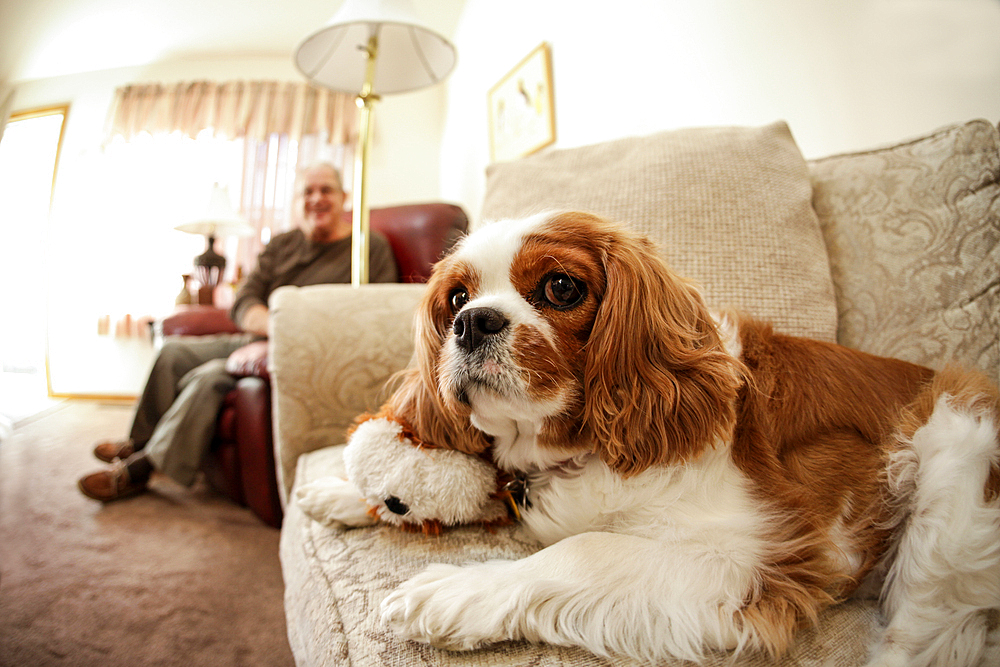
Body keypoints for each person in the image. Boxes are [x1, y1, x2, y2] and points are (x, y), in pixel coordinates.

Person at [78, 163, 398, 502]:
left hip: (305, 351)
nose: (316, 199)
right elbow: (244, 300)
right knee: (172, 351)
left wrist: (288, 336)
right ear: (296, 200)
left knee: (210, 376)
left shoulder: (369, 249)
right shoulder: (281, 245)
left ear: (344, 197)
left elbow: (376, 314)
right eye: (308, 191)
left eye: (326, 190)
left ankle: (139, 470)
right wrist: (276, 326)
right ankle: (138, 442)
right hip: (258, 337)